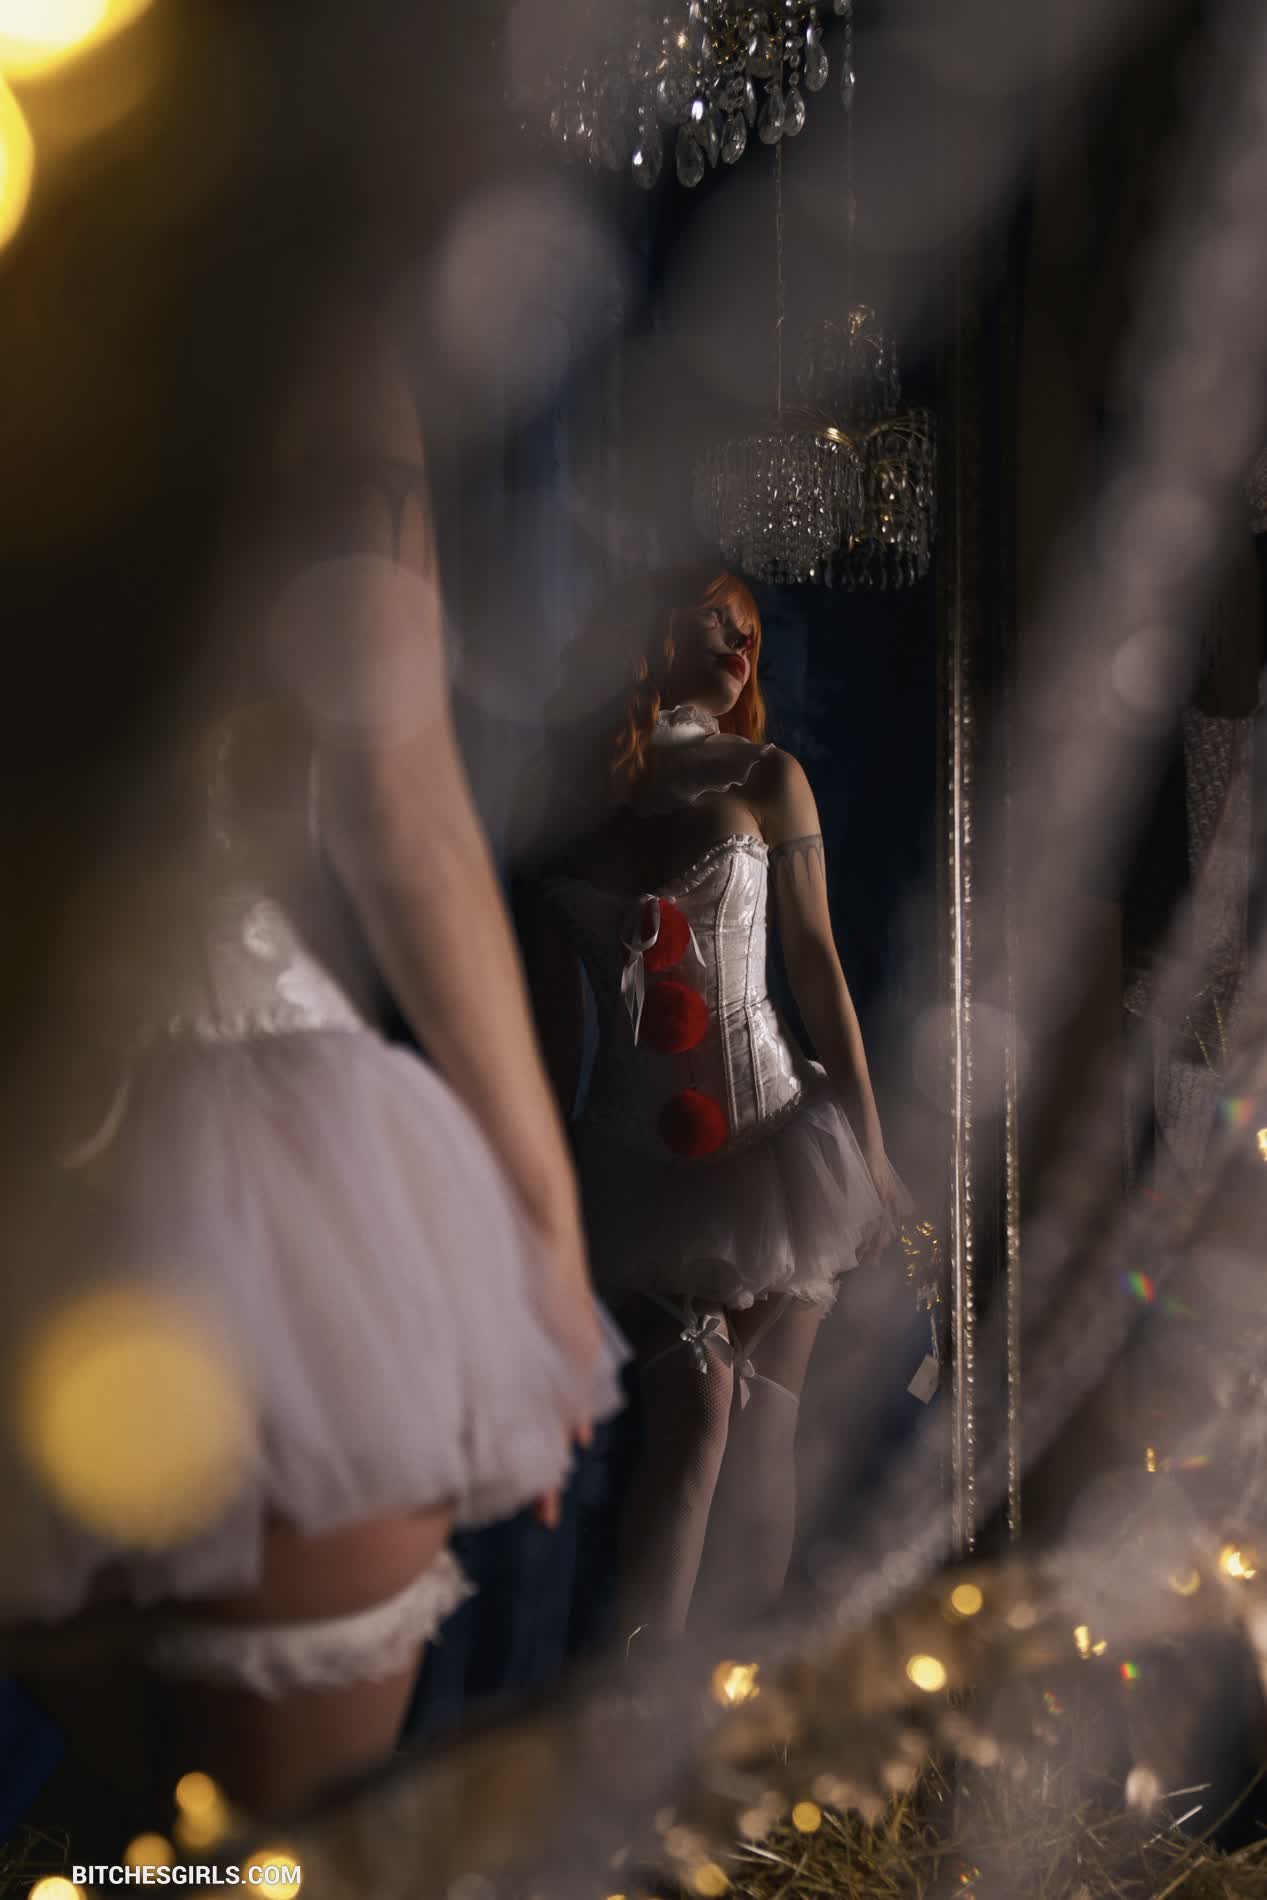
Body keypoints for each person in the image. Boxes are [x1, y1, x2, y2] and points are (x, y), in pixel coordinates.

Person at [2, 318, 625, 1824]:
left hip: (100, 1174)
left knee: (123, 1843)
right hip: (257, 1191)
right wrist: (541, 1242)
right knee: (259, 1859)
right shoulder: (309, 336)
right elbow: (400, 822)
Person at [522, 568, 905, 1642]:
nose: (741, 642)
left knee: (761, 1433)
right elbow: (550, 1046)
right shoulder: (563, 816)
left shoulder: (767, 776)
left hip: (778, 1147)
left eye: (751, 631)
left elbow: (816, 967)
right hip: (630, 1171)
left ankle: (734, 1706)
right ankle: (633, 1716)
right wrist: (540, 1201)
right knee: (693, 1422)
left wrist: (870, 1148)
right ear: (649, 629)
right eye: (715, 619)